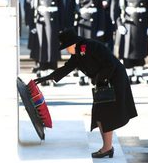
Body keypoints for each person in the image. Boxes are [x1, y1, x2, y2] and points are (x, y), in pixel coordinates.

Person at [34, 29, 138, 158]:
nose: (66, 50)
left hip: (114, 80)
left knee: (106, 114)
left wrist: (99, 79)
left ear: (72, 44)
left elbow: (110, 63)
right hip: (103, 82)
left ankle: (107, 148)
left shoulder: (91, 46)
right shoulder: (78, 53)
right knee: (100, 113)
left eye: (66, 47)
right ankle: (107, 147)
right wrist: (47, 78)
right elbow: (66, 68)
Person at [24, 0, 65, 85]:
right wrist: (31, 24)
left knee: (53, 49)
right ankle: (42, 74)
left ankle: (52, 76)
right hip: (40, 23)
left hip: (53, 23)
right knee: (42, 49)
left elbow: (61, 8)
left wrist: (62, 26)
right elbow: (29, 7)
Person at [67, 0, 105, 85]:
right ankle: (81, 75)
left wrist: (101, 27)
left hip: (92, 26)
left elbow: (100, 11)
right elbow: (70, 10)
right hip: (80, 26)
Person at [116, 0, 148, 84]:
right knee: (128, 51)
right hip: (129, 24)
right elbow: (118, 10)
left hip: (141, 25)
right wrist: (119, 24)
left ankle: (139, 74)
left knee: (140, 50)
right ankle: (129, 74)